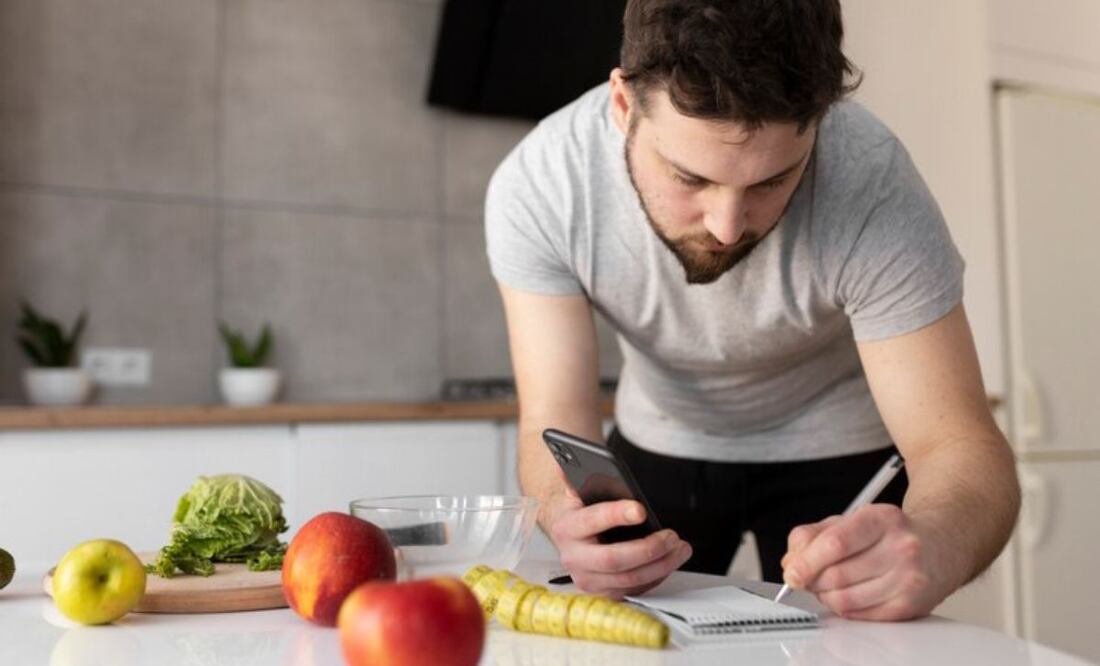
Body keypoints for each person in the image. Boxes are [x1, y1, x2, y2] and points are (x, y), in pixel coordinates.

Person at [485, 0, 1019, 622]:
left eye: (772, 181)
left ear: (821, 122)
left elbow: (958, 443)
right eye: (690, 178)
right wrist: (561, 512)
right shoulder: (544, 183)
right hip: (661, 437)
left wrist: (936, 545)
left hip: (842, 454)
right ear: (624, 105)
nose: (727, 225)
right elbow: (551, 422)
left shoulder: (874, 186)